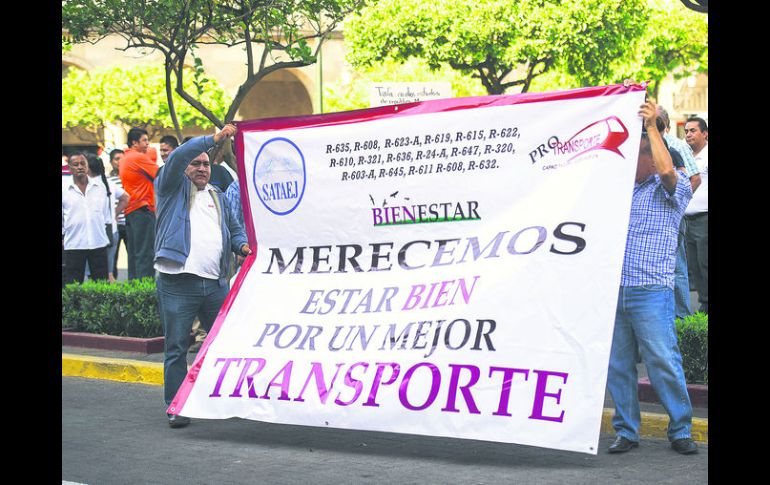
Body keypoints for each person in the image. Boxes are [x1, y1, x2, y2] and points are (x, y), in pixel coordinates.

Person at [606, 97, 698, 455]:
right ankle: (626, 430)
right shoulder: (618, 192)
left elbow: (667, 172)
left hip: (651, 290)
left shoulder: (673, 189)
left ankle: (681, 429)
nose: (636, 159)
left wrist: (650, 129)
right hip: (615, 289)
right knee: (619, 365)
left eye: (642, 153)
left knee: (663, 362)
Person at [154, 124, 250, 428]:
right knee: (176, 348)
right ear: (184, 167)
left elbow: (235, 228)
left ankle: (226, 400)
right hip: (177, 284)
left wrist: (243, 246)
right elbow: (178, 156)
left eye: (206, 164)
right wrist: (214, 140)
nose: (201, 169)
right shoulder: (170, 188)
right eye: (195, 163)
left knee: (225, 344)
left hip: (215, 285)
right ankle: (176, 406)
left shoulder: (217, 195)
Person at [656, 106, 701, 319]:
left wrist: (678, 207)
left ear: (664, 124)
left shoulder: (676, 145)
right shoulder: (640, 144)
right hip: (652, 217)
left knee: (677, 266)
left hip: (673, 216)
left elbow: (695, 178)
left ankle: (682, 317)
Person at [62, 152, 112, 284]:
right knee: (73, 285)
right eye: (75, 164)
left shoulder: (100, 187)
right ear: (69, 168)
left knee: (101, 284)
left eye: (82, 163)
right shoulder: (64, 189)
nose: (80, 167)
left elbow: (106, 216)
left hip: (98, 242)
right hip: (74, 244)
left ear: (87, 166)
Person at [120, 127, 159, 280]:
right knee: (145, 253)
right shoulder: (138, 157)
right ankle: (145, 288)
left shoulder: (126, 157)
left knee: (134, 254)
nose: (147, 144)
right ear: (134, 143)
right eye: (144, 140)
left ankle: (134, 288)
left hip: (131, 210)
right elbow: (160, 174)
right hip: (143, 209)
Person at [86, 153, 129, 283]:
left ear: (88, 169)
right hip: (112, 231)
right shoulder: (108, 183)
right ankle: (110, 293)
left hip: (96, 234)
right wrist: (114, 214)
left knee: (94, 272)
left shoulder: (89, 186)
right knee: (108, 272)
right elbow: (126, 198)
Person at [683, 117, 708, 314]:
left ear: (705, 134)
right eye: (686, 131)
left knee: (705, 264)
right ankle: (704, 303)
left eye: (693, 130)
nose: (688, 134)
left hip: (704, 219)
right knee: (694, 266)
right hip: (687, 221)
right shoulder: (686, 155)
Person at [107, 149, 128, 279]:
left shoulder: (129, 177)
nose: (120, 162)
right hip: (114, 225)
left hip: (128, 222)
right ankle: (112, 281)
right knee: (112, 257)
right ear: (111, 162)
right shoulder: (107, 180)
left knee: (132, 255)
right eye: (116, 159)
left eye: (122, 159)